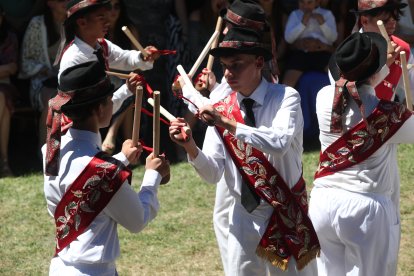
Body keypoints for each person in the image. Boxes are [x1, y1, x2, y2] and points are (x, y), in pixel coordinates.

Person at [170, 27, 319, 275]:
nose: (228, 74)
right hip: (243, 218)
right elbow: (213, 174)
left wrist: (226, 123)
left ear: (259, 62)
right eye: (225, 66)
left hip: (285, 216)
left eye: (237, 65)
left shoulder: (285, 97)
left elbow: (279, 142)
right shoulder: (220, 109)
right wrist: (190, 146)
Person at [43, 61, 170, 275]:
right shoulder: (106, 171)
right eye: (111, 99)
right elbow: (137, 220)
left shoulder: (51, 148)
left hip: (60, 266)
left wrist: (122, 158)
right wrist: (152, 175)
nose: (113, 103)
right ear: (100, 108)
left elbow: (83, 180)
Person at [178, 1, 276, 272]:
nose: (223, 35)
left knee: (232, 214)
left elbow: (224, 108)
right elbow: (222, 101)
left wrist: (189, 93)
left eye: (230, 29)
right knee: (228, 218)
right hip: (233, 165)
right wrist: (213, 87)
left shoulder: (270, 85)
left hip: (259, 175)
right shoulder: (241, 67)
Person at [309, 31, 414, 276]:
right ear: (375, 72)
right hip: (365, 209)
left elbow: (359, 89)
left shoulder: (323, 97)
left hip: (323, 202)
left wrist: (378, 66)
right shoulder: (390, 116)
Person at [57, 0, 159, 115]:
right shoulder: (74, 59)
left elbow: (124, 58)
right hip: (78, 129)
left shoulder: (101, 45)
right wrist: (126, 90)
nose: (108, 22)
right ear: (82, 23)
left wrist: (143, 56)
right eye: (101, 18)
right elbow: (94, 110)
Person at [19, 0, 67, 152]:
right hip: (42, 80)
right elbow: (25, 61)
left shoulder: (75, 22)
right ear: (50, 3)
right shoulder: (38, 24)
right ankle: (46, 151)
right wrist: (44, 70)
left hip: (68, 80)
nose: (66, 2)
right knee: (52, 100)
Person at [351, 0, 414, 102]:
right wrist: (384, 66)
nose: (392, 26)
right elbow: (354, 96)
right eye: (384, 21)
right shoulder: (348, 53)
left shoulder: (401, 49)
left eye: (395, 19)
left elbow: (412, 89)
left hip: (386, 116)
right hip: (356, 116)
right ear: (364, 21)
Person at [101, 0, 139, 154]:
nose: (113, 11)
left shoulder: (129, 30)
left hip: (123, 80)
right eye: (109, 7)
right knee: (128, 90)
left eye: (117, 6)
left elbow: (137, 64)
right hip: (103, 81)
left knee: (132, 87)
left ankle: (114, 134)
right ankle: (126, 142)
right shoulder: (98, 32)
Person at [282, 0, 337, 88]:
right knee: (287, 85)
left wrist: (322, 23)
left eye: (309, 2)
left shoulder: (326, 14)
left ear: (317, 2)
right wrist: (302, 23)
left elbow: (333, 38)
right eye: (302, 2)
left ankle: (341, 100)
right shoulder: (295, 15)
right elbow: (288, 38)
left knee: (338, 79)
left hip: (323, 53)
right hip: (301, 54)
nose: (305, 6)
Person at [0, 6, 19, 177]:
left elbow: (12, 67)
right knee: (3, 109)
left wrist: (5, 69)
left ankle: (4, 162)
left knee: (1, 98)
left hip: (3, 86)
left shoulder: (8, 37)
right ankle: (4, 162)